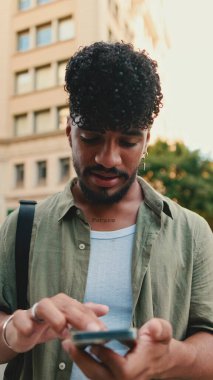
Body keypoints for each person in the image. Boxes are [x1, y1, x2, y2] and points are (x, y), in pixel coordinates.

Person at [0, 41, 213, 380]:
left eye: (128, 142)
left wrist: (175, 358)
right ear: (69, 130)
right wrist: (13, 330)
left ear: (145, 140)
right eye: (91, 138)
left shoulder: (193, 233)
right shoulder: (23, 226)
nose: (108, 158)